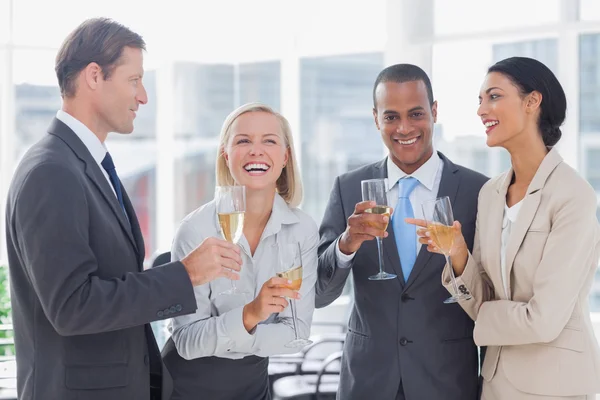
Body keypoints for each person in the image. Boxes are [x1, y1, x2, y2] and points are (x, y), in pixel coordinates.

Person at [4, 18, 242, 400]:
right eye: (134, 80)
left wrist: (188, 264)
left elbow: (112, 277)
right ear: (94, 76)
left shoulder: (82, 163)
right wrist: (185, 274)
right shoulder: (51, 171)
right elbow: (72, 306)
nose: (143, 96)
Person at [410, 56, 600, 399]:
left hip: (554, 387)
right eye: (480, 100)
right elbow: (481, 296)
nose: (482, 110)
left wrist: (484, 317)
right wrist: (457, 254)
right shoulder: (492, 193)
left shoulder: (573, 195)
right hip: (495, 383)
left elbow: (544, 320)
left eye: (493, 96)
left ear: (532, 101)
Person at [315, 63, 488, 400]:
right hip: (367, 384)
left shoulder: (477, 191)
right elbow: (320, 293)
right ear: (376, 118)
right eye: (391, 116)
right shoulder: (347, 189)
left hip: (447, 382)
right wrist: (346, 245)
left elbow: (488, 294)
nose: (404, 127)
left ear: (434, 112)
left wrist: (457, 258)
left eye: (416, 114)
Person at [162, 103, 318, 400]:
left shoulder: (302, 230)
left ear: (285, 156)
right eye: (243, 141)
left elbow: (296, 334)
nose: (256, 151)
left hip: (252, 385)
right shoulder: (195, 230)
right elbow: (186, 342)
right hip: (184, 386)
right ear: (226, 154)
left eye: (269, 141)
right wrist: (250, 315)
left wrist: (230, 332)